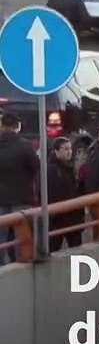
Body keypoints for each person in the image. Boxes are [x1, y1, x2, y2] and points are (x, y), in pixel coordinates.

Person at [0, 112, 41, 264]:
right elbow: (35, 167)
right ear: (17, 126)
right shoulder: (24, 146)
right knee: (22, 235)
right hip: (21, 196)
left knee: (1, 235)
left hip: (1, 198)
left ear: (2, 126)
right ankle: (21, 262)